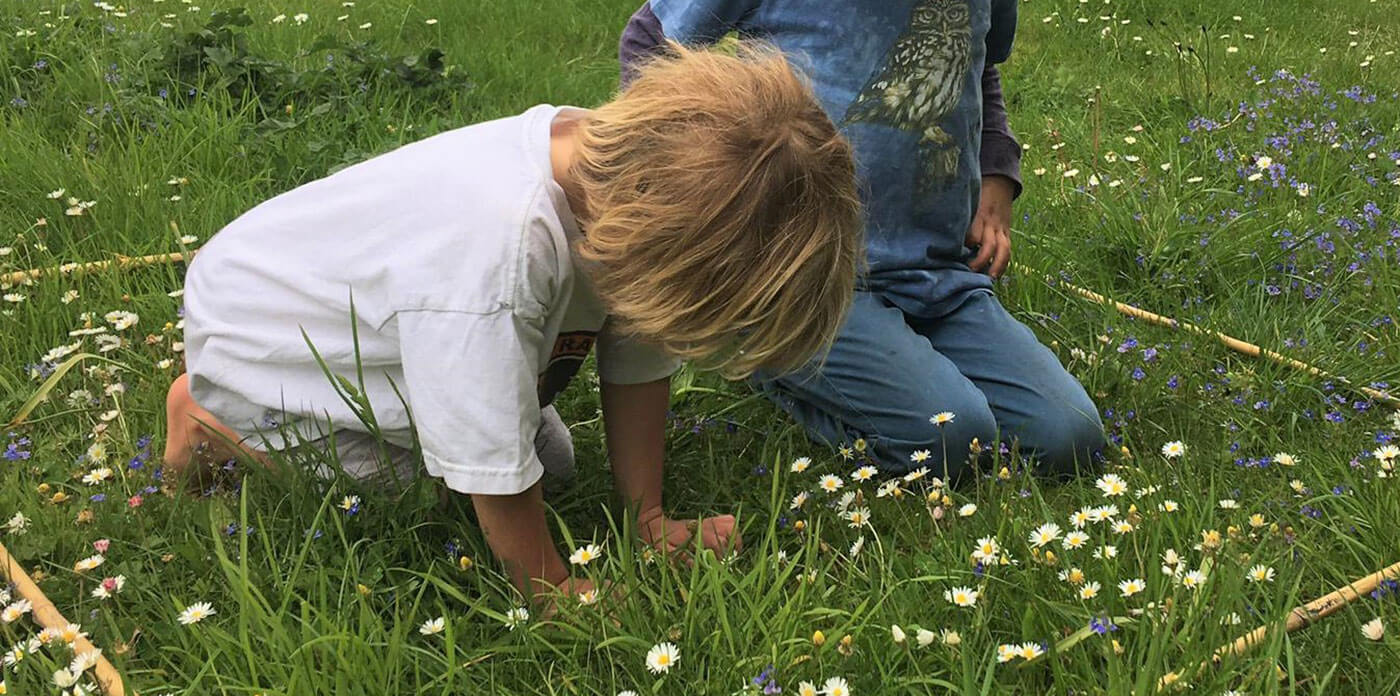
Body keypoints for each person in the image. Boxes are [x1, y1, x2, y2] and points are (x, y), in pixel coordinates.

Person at [161, 43, 864, 602]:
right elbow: (485, 447)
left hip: (388, 316)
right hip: (266, 339)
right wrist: (550, 586)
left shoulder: (631, 182)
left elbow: (642, 355)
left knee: (547, 466)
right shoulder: (497, 254)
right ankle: (214, 420)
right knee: (434, 486)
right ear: (663, 252)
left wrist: (646, 520)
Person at [620, 0, 1105, 480]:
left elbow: (975, 63)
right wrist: (683, 206)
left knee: (1070, 436)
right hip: (805, 281)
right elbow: (650, 44)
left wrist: (995, 165)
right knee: (950, 435)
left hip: (938, 273)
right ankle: (769, 355)